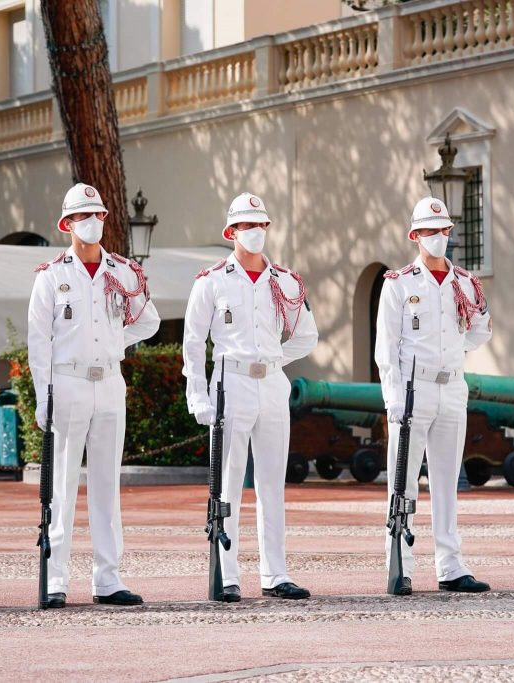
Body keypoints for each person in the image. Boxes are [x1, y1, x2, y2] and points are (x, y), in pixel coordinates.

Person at [28, 183, 160, 608]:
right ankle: (55, 580)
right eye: (84, 216)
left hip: (108, 383)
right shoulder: (52, 276)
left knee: (107, 484)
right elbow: (38, 344)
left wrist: (116, 340)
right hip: (67, 382)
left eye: (99, 215)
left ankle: (108, 578)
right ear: (67, 224)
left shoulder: (122, 272)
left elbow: (149, 321)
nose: (93, 222)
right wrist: (42, 399)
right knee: (62, 485)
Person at [182, 192, 318, 602]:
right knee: (226, 484)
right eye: (247, 226)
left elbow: (306, 335)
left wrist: (275, 359)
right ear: (231, 232)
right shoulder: (212, 281)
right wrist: (198, 395)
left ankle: (275, 574)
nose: (255, 232)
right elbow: (192, 343)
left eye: (261, 225)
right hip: (231, 385)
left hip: (272, 385)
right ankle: (226, 574)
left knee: (272, 484)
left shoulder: (285, 282)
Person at [374, 197, 492, 596]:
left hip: (451, 387)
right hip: (413, 387)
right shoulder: (399, 283)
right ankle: (401, 564)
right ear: (415, 235)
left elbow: (481, 329)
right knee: (403, 481)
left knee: (446, 481)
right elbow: (385, 348)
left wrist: (456, 348)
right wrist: (392, 398)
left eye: (443, 231)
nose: (438, 237)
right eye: (429, 231)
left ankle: (450, 565)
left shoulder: (464, 282)